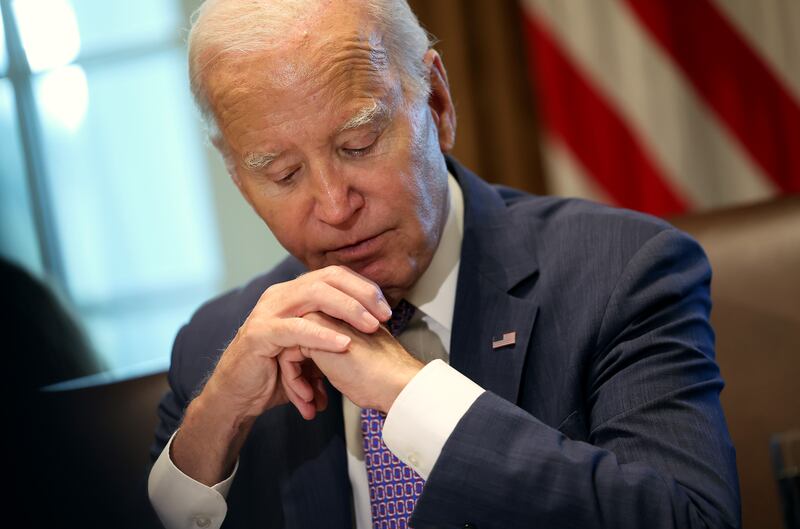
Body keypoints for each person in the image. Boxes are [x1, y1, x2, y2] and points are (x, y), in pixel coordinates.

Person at [148, 1, 740, 528]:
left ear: (436, 101)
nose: (334, 206)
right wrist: (216, 424)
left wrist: (411, 394)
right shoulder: (212, 348)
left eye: (358, 146)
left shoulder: (621, 271)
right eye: (282, 173)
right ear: (236, 176)